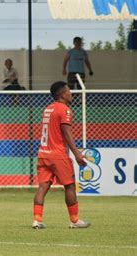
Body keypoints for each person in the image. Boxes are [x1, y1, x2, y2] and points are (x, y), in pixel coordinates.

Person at [33, 81, 91, 229]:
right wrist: (77, 154)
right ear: (62, 94)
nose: (71, 94)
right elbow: (66, 134)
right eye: (69, 91)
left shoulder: (48, 109)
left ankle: (37, 220)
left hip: (43, 154)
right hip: (58, 154)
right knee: (70, 186)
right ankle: (75, 220)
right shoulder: (65, 110)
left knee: (43, 187)